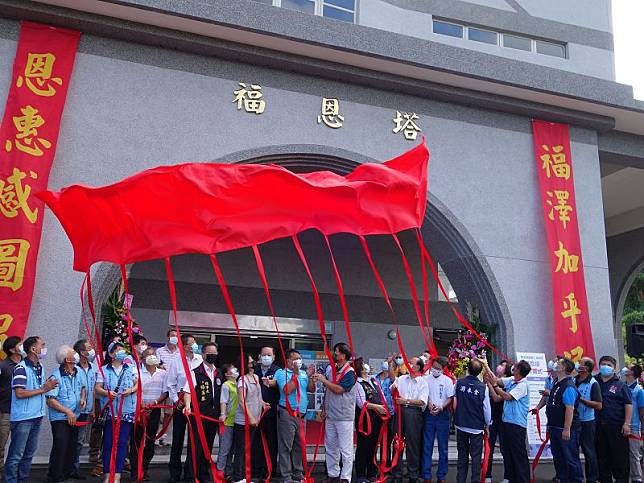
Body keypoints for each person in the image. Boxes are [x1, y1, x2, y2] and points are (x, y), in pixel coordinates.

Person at [5, 336, 57, 483]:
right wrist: (43, 389)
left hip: (36, 416)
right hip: (23, 418)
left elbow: (41, 389)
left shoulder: (39, 366)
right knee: (16, 454)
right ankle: (10, 480)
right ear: (33, 349)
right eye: (43, 345)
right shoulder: (21, 368)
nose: (44, 348)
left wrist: (49, 387)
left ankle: (23, 479)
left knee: (28, 454)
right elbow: (19, 393)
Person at [94, 341, 139, 483]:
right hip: (110, 410)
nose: (121, 352)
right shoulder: (103, 370)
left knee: (122, 443)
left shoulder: (131, 368)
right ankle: (107, 473)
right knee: (107, 442)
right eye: (118, 350)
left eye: (122, 350)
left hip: (126, 410)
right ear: (111, 354)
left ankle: (117, 474)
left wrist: (131, 390)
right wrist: (107, 393)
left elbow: (137, 384)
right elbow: (97, 388)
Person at [271, 349, 315, 483]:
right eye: (296, 359)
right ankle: (286, 476)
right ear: (288, 361)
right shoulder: (281, 373)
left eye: (300, 358)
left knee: (299, 445)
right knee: (286, 446)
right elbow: (287, 390)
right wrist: (294, 375)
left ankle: (298, 472)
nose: (298, 361)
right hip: (288, 413)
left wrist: (312, 378)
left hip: (302, 414)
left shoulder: (303, 373)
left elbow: (311, 389)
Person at [316, 342, 357, 483]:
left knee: (345, 449)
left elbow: (339, 390)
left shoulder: (350, 372)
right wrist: (323, 408)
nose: (335, 354)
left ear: (344, 355)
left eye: (337, 352)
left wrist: (324, 380)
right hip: (331, 415)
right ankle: (333, 474)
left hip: (344, 416)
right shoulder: (331, 370)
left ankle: (346, 477)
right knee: (331, 447)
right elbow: (328, 391)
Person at [485, 359, 532, 483]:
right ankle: (511, 478)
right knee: (509, 452)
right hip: (507, 422)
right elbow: (497, 380)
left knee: (518, 454)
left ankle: (523, 479)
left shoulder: (523, 385)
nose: (513, 368)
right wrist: (485, 364)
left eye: (515, 367)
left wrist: (494, 386)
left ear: (519, 371)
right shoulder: (512, 380)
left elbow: (507, 396)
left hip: (517, 424)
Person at [46, 345, 87, 483]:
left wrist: (82, 399)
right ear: (67, 359)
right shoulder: (55, 376)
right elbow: (50, 400)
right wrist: (67, 411)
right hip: (60, 418)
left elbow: (83, 388)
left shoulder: (79, 372)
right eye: (73, 353)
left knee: (71, 446)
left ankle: (66, 474)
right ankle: (54, 477)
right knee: (60, 447)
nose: (75, 355)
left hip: (75, 416)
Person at [183, 342, 222, 483]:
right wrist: (188, 405)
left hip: (213, 417)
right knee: (196, 446)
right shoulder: (196, 372)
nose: (212, 356)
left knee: (208, 446)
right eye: (209, 353)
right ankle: (191, 476)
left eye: (215, 354)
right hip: (198, 416)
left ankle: (203, 474)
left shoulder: (219, 373)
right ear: (204, 354)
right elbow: (188, 391)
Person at [167, 334, 203, 483]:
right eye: (192, 342)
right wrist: (176, 400)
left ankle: (191, 472)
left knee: (194, 439)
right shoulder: (176, 360)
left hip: (198, 403)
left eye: (195, 342)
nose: (195, 345)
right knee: (178, 438)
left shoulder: (200, 359)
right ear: (185, 345)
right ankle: (174, 472)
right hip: (181, 402)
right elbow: (170, 383)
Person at [129, 347, 168, 482]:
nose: (151, 357)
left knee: (150, 441)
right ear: (142, 359)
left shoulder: (163, 374)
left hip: (155, 409)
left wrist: (155, 403)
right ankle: (135, 471)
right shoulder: (137, 372)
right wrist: (142, 405)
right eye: (148, 355)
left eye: (153, 354)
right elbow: (134, 390)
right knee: (136, 441)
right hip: (139, 410)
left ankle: (144, 469)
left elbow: (165, 392)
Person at [390, 356, 428, 483]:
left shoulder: (423, 382)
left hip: (414, 413)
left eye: (411, 363)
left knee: (413, 445)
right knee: (397, 443)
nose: (408, 365)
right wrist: (391, 364)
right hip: (400, 412)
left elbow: (422, 401)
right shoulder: (401, 378)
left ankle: (413, 474)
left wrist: (405, 400)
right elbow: (392, 385)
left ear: (418, 366)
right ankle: (397, 473)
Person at [232, 355, 269, 483]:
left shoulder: (256, 377)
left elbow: (258, 396)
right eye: (250, 360)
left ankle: (244, 475)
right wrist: (251, 417)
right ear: (246, 364)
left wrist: (263, 404)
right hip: (243, 421)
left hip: (255, 419)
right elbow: (242, 401)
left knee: (248, 448)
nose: (254, 361)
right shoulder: (242, 380)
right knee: (241, 449)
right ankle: (238, 477)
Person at [546, 358, 583, 483]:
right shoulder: (557, 383)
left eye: (559, 363)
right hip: (555, 427)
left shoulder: (568, 386)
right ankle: (563, 479)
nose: (555, 364)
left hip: (566, 429)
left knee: (570, 458)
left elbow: (569, 409)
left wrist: (567, 429)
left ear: (563, 368)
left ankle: (576, 480)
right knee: (559, 458)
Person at [595, 355, 632, 483]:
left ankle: (621, 480)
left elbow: (628, 404)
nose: (605, 367)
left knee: (619, 457)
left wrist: (627, 424)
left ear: (614, 369)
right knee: (602, 457)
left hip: (616, 426)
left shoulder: (621, 385)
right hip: (598, 425)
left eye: (609, 365)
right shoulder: (594, 382)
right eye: (603, 364)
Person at [454, 359, 491, 483]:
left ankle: (460, 480)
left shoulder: (458, 383)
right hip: (476, 427)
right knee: (476, 458)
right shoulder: (483, 388)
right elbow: (486, 408)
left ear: (467, 369)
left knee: (462, 456)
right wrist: (487, 423)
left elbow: (455, 403)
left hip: (461, 424)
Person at [354, 358, 389, 483]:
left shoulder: (373, 381)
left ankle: (372, 473)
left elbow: (382, 396)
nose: (367, 367)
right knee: (363, 445)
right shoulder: (358, 383)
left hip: (377, 418)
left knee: (374, 446)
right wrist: (377, 407)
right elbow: (361, 403)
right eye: (364, 365)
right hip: (365, 419)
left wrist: (384, 407)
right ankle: (361, 475)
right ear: (361, 369)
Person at [422, 356, 455, 483]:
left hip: (442, 415)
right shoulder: (426, 379)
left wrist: (441, 407)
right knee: (427, 445)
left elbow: (450, 397)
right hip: (429, 414)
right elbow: (425, 394)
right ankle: (426, 475)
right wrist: (429, 403)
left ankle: (442, 476)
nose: (435, 370)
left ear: (443, 369)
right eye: (433, 367)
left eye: (438, 368)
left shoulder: (447, 381)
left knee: (443, 447)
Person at [72, 339, 98, 480]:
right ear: (82, 352)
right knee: (69, 439)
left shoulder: (93, 367)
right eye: (89, 347)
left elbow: (93, 390)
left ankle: (74, 468)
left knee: (79, 441)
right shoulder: (73, 367)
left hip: (86, 410)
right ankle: (65, 467)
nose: (91, 350)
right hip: (73, 409)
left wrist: (93, 409)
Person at [252, 346, 280, 480]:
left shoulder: (278, 371)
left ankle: (271, 470)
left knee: (271, 442)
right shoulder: (254, 370)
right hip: (255, 413)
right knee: (256, 442)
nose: (266, 357)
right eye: (264, 355)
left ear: (274, 357)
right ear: (259, 356)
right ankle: (256, 470)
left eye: (269, 355)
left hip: (272, 412)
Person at [574, 357, 602, 483]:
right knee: (572, 450)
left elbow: (598, 405)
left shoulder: (593, 383)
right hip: (574, 421)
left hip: (587, 422)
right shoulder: (574, 380)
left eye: (580, 363)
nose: (578, 365)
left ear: (586, 368)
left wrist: (582, 400)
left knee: (588, 451)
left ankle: (592, 478)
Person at [484, 360, 511, 483]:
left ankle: (507, 476)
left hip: (504, 420)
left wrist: (490, 384)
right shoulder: (497, 380)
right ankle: (487, 475)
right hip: (492, 420)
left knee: (505, 449)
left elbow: (496, 398)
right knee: (489, 448)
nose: (500, 367)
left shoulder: (509, 383)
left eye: (503, 366)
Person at [0, 336, 23, 480]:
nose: (22, 346)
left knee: (18, 447)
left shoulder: (27, 365)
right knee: (1, 444)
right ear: (11, 349)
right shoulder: (3, 366)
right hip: (5, 410)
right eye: (19, 344)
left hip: (22, 412)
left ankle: (13, 474)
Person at [218, 363, 239, 480]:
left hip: (237, 420)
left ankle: (228, 472)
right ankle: (219, 472)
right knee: (224, 449)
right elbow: (223, 401)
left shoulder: (238, 384)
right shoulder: (226, 385)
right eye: (232, 370)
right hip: (227, 421)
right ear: (226, 374)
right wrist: (222, 414)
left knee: (232, 449)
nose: (235, 371)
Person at [624, 364, 644, 483]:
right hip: (622, 425)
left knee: (634, 455)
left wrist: (643, 428)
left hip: (634, 427)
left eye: (628, 368)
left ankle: (637, 479)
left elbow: (642, 410)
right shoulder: (623, 386)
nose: (625, 369)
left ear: (632, 373)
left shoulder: (639, 390)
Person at [375, 358, 395, 469]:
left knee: (387, 441)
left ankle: (387, 465)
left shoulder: (393, 380)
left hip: (389, 413)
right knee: (376, 440)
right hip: (377, 412)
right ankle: (375, 465)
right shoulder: (375, 378)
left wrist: (391, 364)